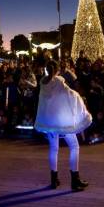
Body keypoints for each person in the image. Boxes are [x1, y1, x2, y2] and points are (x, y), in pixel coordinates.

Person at [34, 60, 92, 191]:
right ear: (57, 70)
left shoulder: (43, 83)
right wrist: (81, 100)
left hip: (49, 122)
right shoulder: (59, 82)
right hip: (62, 122)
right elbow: (72, 95)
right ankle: (75, 180)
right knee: (74, 146)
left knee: (53, 149)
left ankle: (54, 180)